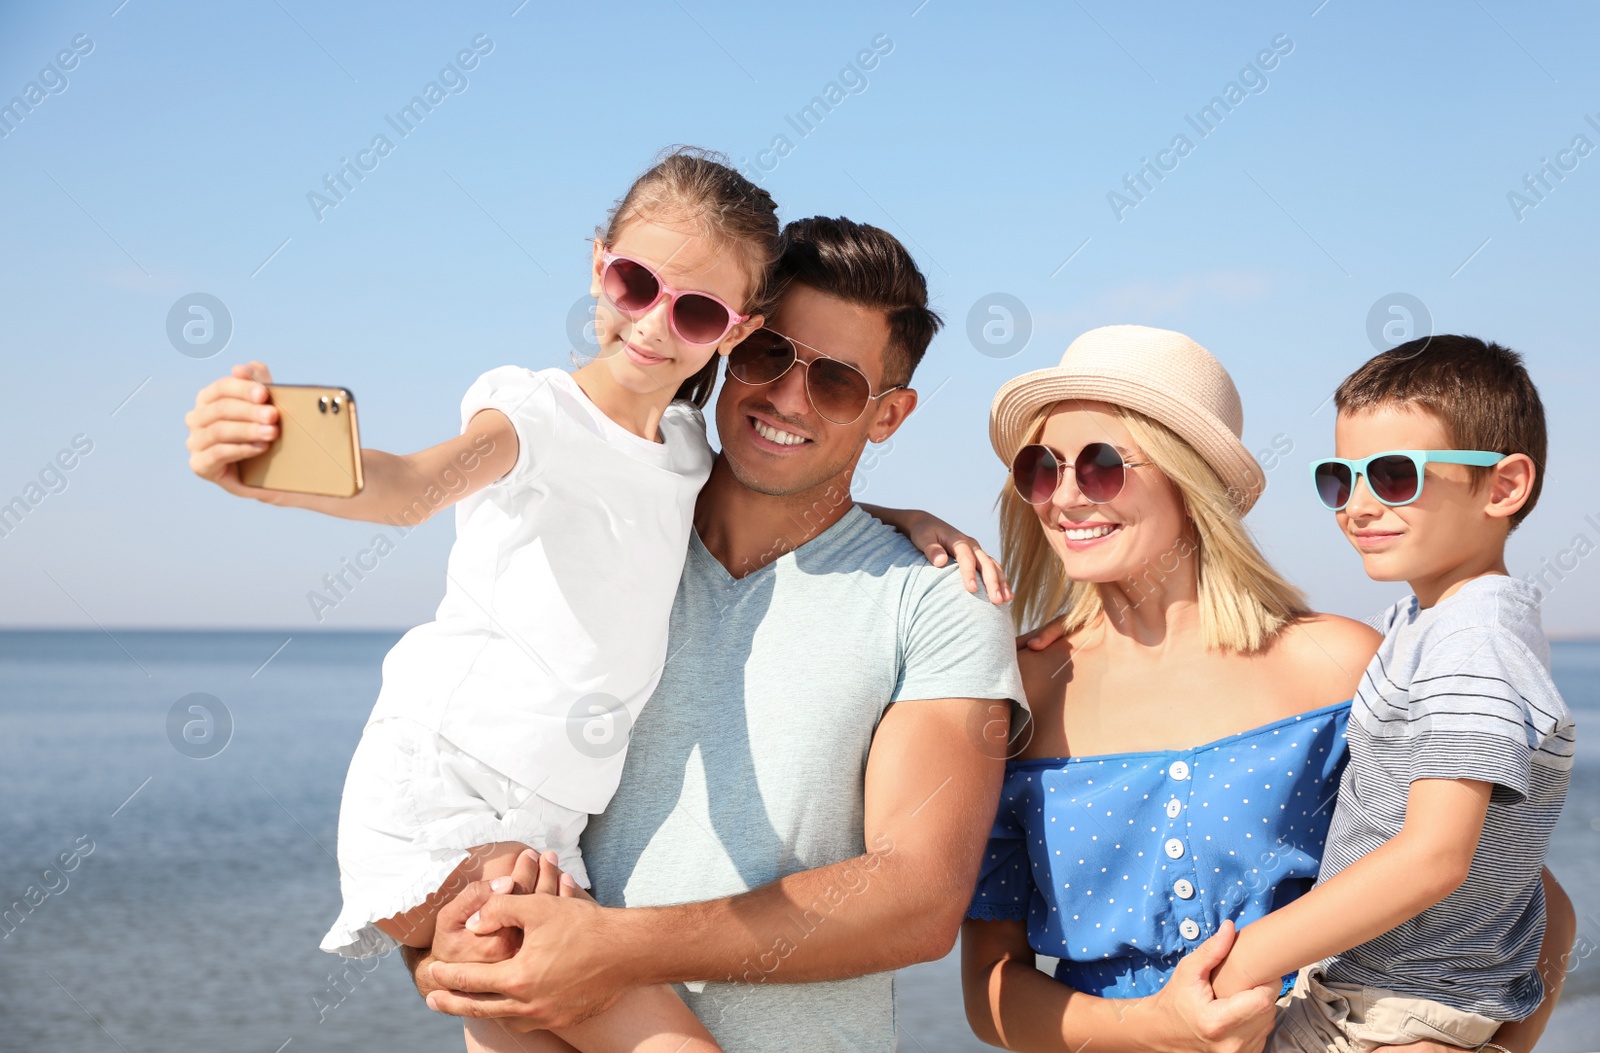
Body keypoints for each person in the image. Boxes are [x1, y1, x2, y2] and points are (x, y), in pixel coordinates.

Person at [181, 152, 988, 1053]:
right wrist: (278, 470)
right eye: (636, 284)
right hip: (469, 819)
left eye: (834, 383)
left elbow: (919, 903)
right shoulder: (549, 428)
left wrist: (892, 521)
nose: (654, 324)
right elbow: (412, 486)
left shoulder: (717, 477)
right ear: (599, 265)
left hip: (546, 850)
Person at [405, 215, 1028, 1052]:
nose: (786, 398)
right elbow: (461, 770)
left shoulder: (941, 602)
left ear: (889, 416)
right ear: (730, 343)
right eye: (770, 354)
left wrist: (611, 949)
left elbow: (918, 900)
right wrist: (440, 951)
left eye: (836, 383)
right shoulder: (605, 533)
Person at [959, 325, 1576, 1053]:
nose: (1063, 496)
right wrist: (1152, 1029)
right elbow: (989, 988)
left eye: (1098, 466)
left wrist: (1503, 1046)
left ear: (1191, 479)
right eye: (1040, 467)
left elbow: (1518, 895)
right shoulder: (1012, 694)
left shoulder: (1342, 663)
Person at [1210, 336, 1576, 1053]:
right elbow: (1545, 896)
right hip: (1376, 1004)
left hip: (1384, 1017)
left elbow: (1433, 856)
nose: (1359, 505)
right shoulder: (1432, 623)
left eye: (1394, 475)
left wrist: (1250, 958)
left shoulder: (1472, 641)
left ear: (1503, 487)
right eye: (1340, 480)